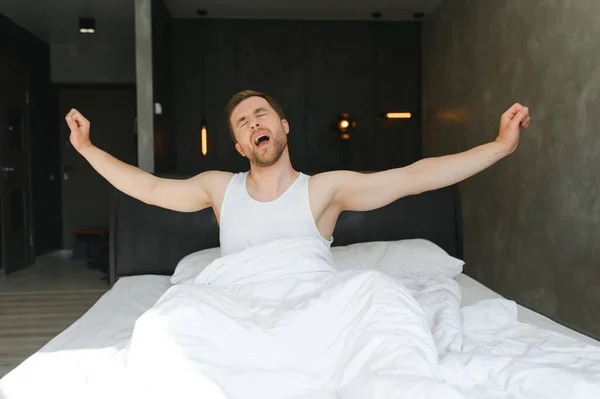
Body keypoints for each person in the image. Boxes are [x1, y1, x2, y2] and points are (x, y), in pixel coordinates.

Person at [65, 90, 530, 256]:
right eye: (243, 123)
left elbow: (415, 176)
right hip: (238, 312)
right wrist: (86, 148)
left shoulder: (325, 190)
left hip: (311, 311)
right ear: (238, 145)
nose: (253, 124)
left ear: (282, 127)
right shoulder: (217, 190)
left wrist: (499, 146)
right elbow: (146, 187)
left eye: (261, 114)